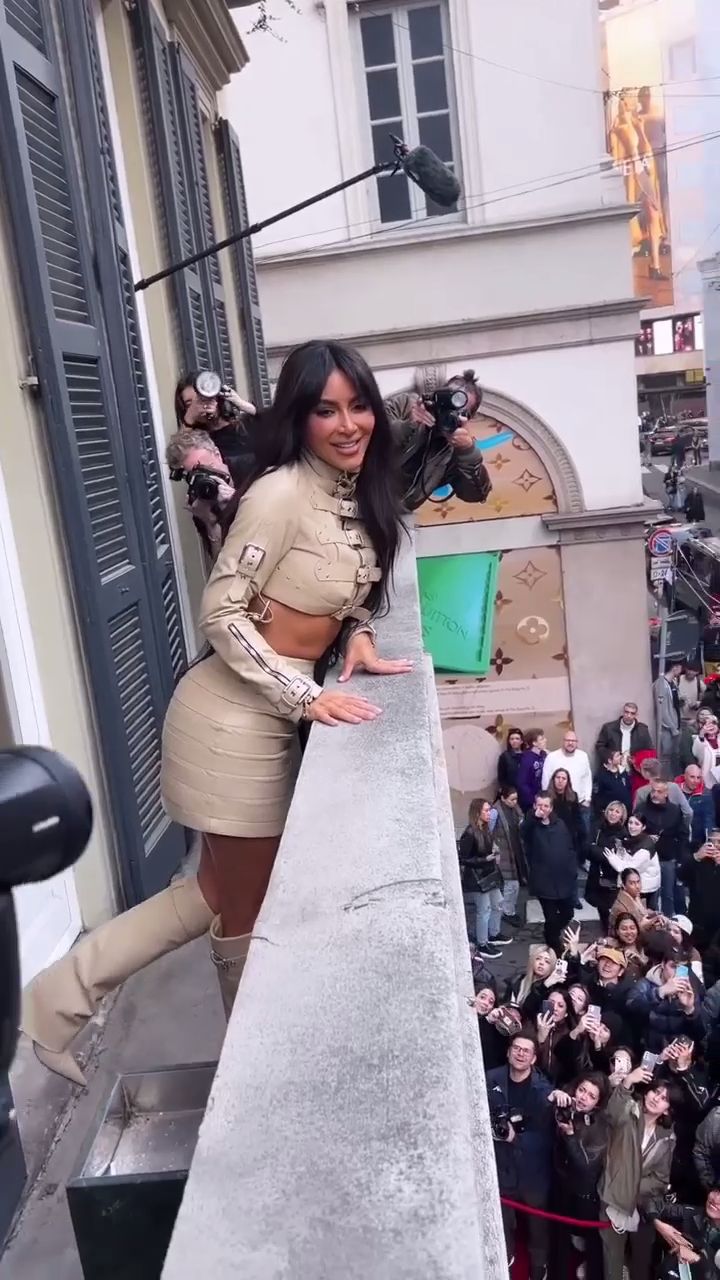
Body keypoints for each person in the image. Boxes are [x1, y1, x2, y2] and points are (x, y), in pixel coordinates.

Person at [22, 339, 410, 1081]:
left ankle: (53, 1003)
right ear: (298, 418)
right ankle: (257, 1077)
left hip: (266, 716)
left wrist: (357, 635)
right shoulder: (279, 495)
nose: (348, 424)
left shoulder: (355, 491)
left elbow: (345, 589)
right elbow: (223, 613)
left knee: (210, 895)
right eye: (326, 410)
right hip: (231, 724)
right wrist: (307, 694)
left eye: (358, 406)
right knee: (246, 910)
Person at [487, 1032, 555, 1279]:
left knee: (538, 1227)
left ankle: (538, 1268)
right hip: (501, 1167)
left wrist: (516, 1138)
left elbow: (547, 1138)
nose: (520, 1054)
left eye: (526, 1051)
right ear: (508, 1052)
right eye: (516, 1048)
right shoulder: (489, 1079)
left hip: (533, 1172)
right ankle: (503, 1263)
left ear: (534, 1058)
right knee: (502, 1224)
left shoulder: (544, 1091)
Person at [600, 1067, 677, 1280]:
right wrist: (627, 1083)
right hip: (611, 1198)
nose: (656, 1099)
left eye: (664, 1098)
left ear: (667, 1109)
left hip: (641, 1206)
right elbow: (611, 1112)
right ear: (646, 1092)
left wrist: (633, 1188)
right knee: (612, 1263)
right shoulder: (629, 1111)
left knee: (641, 1264)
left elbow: (661, 1179)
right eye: (655, 1092)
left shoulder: (667, 1137)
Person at [383, 369, 491, 511]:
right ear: (436, 397)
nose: (448, 414)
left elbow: (476, 495)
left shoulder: (454, 451)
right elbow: (370, 435)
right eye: (446, 405)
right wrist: (408, 426)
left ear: (467, 419)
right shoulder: (405, 405)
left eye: (459, 412)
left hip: (396, 512)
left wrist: (467, 452)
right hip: (362, 497)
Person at [552, 1071, 610, 1280]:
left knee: (592, 1249)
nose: (583, 1097)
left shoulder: (601, 1126)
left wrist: (569, 1135)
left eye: (591, 1096)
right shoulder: (564, 1107)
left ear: (598, 1104)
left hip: (586, 1198)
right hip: (561, 1188)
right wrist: (552, 1097)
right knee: (559, 1245)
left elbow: (585, 1166)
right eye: (582, 1090)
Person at [174, 371, 257, 488]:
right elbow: (178, 459)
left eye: (202, 399)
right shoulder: (200, 441)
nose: (198, 406)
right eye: (189, 404)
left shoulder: (245, 424)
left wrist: (242, 405)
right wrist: (190, 418)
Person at [165, 428, 236, 561]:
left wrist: (238, 502)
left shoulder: (252, 470)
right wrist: (210, 522)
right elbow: (219, 563)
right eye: (196, 476)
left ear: (217, 455)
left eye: (206, 469)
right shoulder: (201, 503)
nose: (206, 478)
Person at [522, 791, 578, 952]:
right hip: (543, 881)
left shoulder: (560, 824)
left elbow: (569, 846)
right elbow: (524, 832)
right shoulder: (531, 825)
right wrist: (534, 818)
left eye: (546, 806)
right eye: (539, 805)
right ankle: (555, 945)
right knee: (551, 917)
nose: (542, 809)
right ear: (534, 806)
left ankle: (550, 932)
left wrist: (571, 867)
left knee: (568, 913)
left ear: (551, 808)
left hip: (563, 879)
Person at [458, 798, 509, 960]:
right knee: (484, 910)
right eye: (486, 811)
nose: (489, 813)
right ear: (477, 813)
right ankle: (482, 943)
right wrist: (484, 859)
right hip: (477, 878)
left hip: (489, 874)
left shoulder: (485, 829)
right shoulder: (469, 833)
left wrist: (494, 851)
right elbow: (463, 858)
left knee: (498, 903)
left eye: (489, 810)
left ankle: (493, 933)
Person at [636, 780, 688, 918]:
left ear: (666, 793)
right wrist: (646, 837)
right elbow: (633, 829)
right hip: (647, 858)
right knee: (650, 894)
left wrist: (681, 856)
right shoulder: (642, 809)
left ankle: (667, 922)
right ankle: (650, 922)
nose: (655, 794)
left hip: (667, 857)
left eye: (659, 791)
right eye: (653, 791)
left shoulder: (675, 810)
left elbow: (683, 834)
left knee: (668, 894)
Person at [653, 1186, 720, 1278]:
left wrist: (697, 1260)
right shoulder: (692, 1213)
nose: (716, 1199)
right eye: (716, 1191)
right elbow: (652, 1205)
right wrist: (660, 1226)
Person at [586, 800, 628, 933]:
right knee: (601, 908)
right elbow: (588, 848)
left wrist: (598, 851)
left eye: (617, 811)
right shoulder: (597, 827)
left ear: (621, 816)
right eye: (611, 810)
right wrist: (604, 854)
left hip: (612, 877)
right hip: (597, 874)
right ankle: (606, 932)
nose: (613, 814)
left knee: (613, 908)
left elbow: (617, 856)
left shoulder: (623, 834)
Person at [607, 814, 661, 913]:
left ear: (643, 827)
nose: (632, 826)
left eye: (637, 824)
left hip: (644, 888)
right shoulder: (629, 839)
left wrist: (613, 858)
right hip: (634, 885)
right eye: (630, 823)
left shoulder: (645, 847)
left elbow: (629, 869)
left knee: (641, 916)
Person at [542, 730, 593, 830]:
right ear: (563, 741)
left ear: (577, 742)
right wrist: (547, 801)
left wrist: (587, 798)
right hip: (558, 804)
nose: (570, 743)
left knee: (583, 833)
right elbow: (546, 780)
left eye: (573, 741)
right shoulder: (552, 757)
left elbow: (587, 778)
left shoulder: (583, 756)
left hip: (581, 804)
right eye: (568, 740)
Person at [492, 785, 527, 928]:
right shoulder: (495, 812)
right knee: (511, 884)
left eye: (516, 799)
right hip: (504, 852)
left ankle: (508, 910)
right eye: (512, 799)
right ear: (503, 798)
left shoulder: (515, 809)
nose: (515, 802)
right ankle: (507, 911)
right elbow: (490, 832)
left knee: (513, 883)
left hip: (515, 849)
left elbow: (521, 821)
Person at [634, 757, 693, 826]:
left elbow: (637, 817)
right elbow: (688, 812)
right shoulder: (674, 787)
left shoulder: (641, 792)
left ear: (646, 773)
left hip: (651, 830)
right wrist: (682, 827)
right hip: (673, 829)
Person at [676, 763, 714, 853]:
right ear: (685, 776)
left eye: (698, 777)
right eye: (692, 777)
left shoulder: (706, 794)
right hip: (678, 840)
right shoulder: (675, 791)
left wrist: (708, 841)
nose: (695, 781)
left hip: (697, 841)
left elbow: (709, 819)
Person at [654, 662, 683, 776]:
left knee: (674, 756)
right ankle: (664, 779)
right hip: (667, 729)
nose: (681, 670)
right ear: (675, 667)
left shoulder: (672, 683)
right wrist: (672, 728)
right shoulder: (661, 684)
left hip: (676, 725)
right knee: (665, 757)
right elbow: (662, 710)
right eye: (680, 667)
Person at [594, 748, 633, 817]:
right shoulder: (601, 776)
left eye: (620, 755)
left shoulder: (623, 772)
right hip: (612, 814)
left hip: (625, 812)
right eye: (617, 756)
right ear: (610, 760)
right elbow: (597, 796)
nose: (620, 757)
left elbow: (629, 788)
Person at [516, 728, 547, 813]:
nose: (545, 740)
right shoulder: (526, 759)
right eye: (542, 739)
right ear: (534, 743)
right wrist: (533, 799)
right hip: (531, 802)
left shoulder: (543, 755)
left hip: (543, 797)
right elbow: (522, 783)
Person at [693, 715, 720, 791]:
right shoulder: (699, 740)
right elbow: (697, 753)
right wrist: (701, 734)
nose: (710, 725)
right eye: (706, 724)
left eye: (713, 723)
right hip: (707, 781)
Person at [497, 727, 525, 792]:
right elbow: (501, 778)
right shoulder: (505, 756)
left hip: (525, 791)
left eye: (517, 739)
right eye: (512, 739)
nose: (514, 741)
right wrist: (508, 791)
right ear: (509, 741)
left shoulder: (527, 756)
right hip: (511, 791)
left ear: (521, 741)